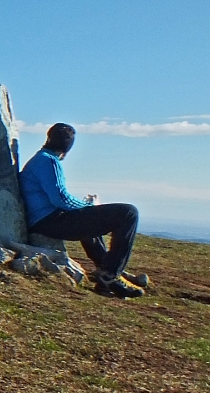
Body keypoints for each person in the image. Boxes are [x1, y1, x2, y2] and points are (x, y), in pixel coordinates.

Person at [19, 123, 146, 297]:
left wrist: (88, 209)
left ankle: (106, 276)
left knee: (89, 221)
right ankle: (110, 275)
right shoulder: (48, 160)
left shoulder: (40, 158)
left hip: (45, 219)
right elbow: (60, 199)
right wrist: (91, 206)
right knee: (129, 213)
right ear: (68, 147)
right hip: (49, 221)